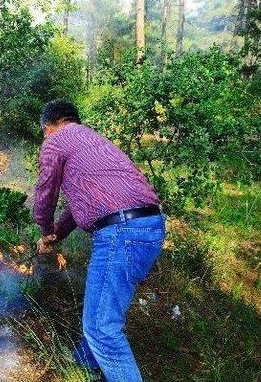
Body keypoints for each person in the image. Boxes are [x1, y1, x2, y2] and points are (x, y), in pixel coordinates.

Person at [33, 99, 166, 382]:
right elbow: (81, 203)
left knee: (101, 328)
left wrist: (44, 230)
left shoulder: (55, 142)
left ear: (48, 127)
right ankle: (80, 366)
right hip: (151, 227)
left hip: (121, 232)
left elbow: (45, 192)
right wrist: (58, 233)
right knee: (105, 313)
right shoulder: (94, 141)